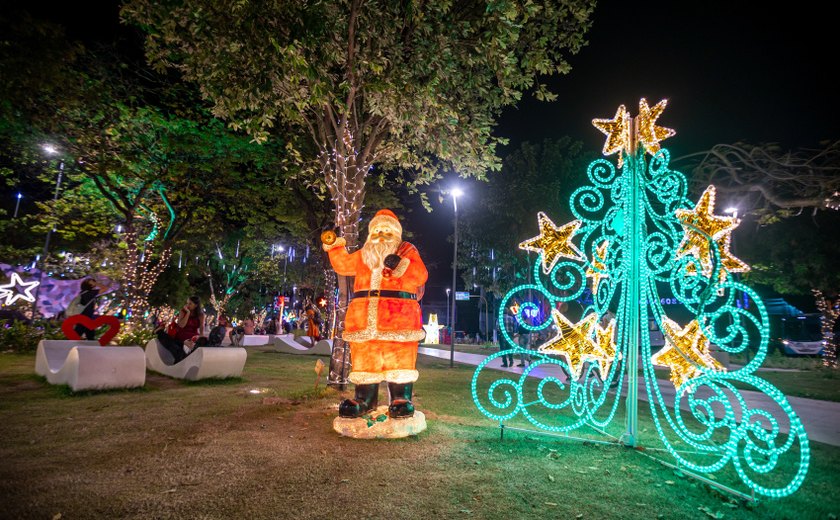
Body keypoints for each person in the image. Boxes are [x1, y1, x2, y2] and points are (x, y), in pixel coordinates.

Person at [323, 208, 428, 419]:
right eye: (377, 230)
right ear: (371, 233)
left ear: (396, 234)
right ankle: (364, 400)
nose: (381, 235)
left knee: (399, 357)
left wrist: (400, 265)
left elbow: (420, 274)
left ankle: (400, 398)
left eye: (387, 231)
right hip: (363, 316)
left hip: (398, 318)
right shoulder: (364, 255)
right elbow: (343, 264)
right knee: (365, 358)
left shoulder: (405, 251)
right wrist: (333, 244)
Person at [155, 296, 205, 363]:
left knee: (196, 344)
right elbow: (181, 325)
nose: (187, 305)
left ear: (196, 305)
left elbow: (201, 326)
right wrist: (188, 313)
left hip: (193, 335)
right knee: (176, 344)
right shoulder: (183, 311)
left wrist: (201, 336)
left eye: (190, 304)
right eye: (187, 303)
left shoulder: (201, 315)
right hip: (182, 334)